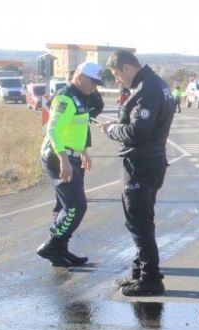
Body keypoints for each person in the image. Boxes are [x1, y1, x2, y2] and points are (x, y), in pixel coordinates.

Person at [99, 49, 174, 296]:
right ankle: (138, 272)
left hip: (141, 163)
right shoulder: (154, 84)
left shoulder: (147, 89)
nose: (118, 80)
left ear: (128, 68)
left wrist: (112, 130)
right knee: (141, 220)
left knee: (139, 221)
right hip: (150, 161)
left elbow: (137, 132)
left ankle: (150, 279)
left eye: (117, 75)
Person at [36, 62, 104, 267]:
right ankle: (50, 246)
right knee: (76, 206)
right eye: (93, 82)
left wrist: (83, 152)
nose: (95, 87)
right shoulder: (65, 97)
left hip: (72, 155)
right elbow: (54, 130)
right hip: (58, 155)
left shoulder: (81, 96)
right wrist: (64, 159)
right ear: (80, 77)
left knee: (65, 206)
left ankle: (60, 249)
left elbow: (76, 129)